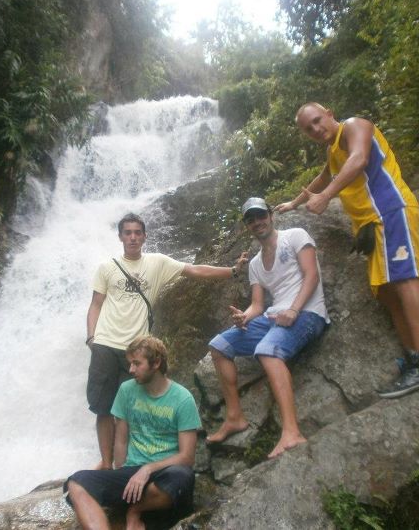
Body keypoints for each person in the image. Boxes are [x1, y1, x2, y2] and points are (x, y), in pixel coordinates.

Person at [276, 102, 419, 398]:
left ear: (329, 113)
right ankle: (414, 362)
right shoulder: (332, 152)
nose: (316, 129)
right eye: (308, 128)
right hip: (371, 227)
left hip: (390, 211)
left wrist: (327, 197)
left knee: (405, 278)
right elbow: (323, 178)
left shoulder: (355, 125)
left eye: (318, 120)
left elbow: (358, 159)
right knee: (386, 293)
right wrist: (294, 203)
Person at [86, 213, 247, 470]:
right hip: (104, 343)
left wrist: (233, 271)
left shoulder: (157, 263)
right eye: (127, 233)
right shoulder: (107, 267)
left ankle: (125, 465)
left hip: (135, 351)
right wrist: (91, 338)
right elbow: (96, 304)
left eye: (137, 232)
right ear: (120, 237)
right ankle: (106, 463)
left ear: (145, 236)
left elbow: (194, 271)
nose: (133, 237)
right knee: (103, 408)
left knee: (129, 410)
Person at [206, 197, 329, 457]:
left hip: (308, 313)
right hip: (273, 318)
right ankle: (235, 416)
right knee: (219, 346)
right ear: (246, 226)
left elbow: (312, 275)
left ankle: (291, 432)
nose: (257, 222)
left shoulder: (295, 236)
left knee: (267, 350)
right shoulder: (255, 264)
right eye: (250, 219)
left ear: (271, 215)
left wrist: (293, 310)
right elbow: (257, 305)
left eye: (260, 216)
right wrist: (244, 317)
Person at [66, 336, 201, 530]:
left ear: (156, 363)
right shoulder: (126, 390)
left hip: (165, 476)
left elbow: (187, 457)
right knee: (76, 482)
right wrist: (120, 471)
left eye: (137, 364)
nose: (130, 370)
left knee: (182, 476)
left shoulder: (182, 398)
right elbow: (121, 440)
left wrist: (147, 469)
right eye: (130, 364)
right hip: (131, 474)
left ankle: (135, 510)